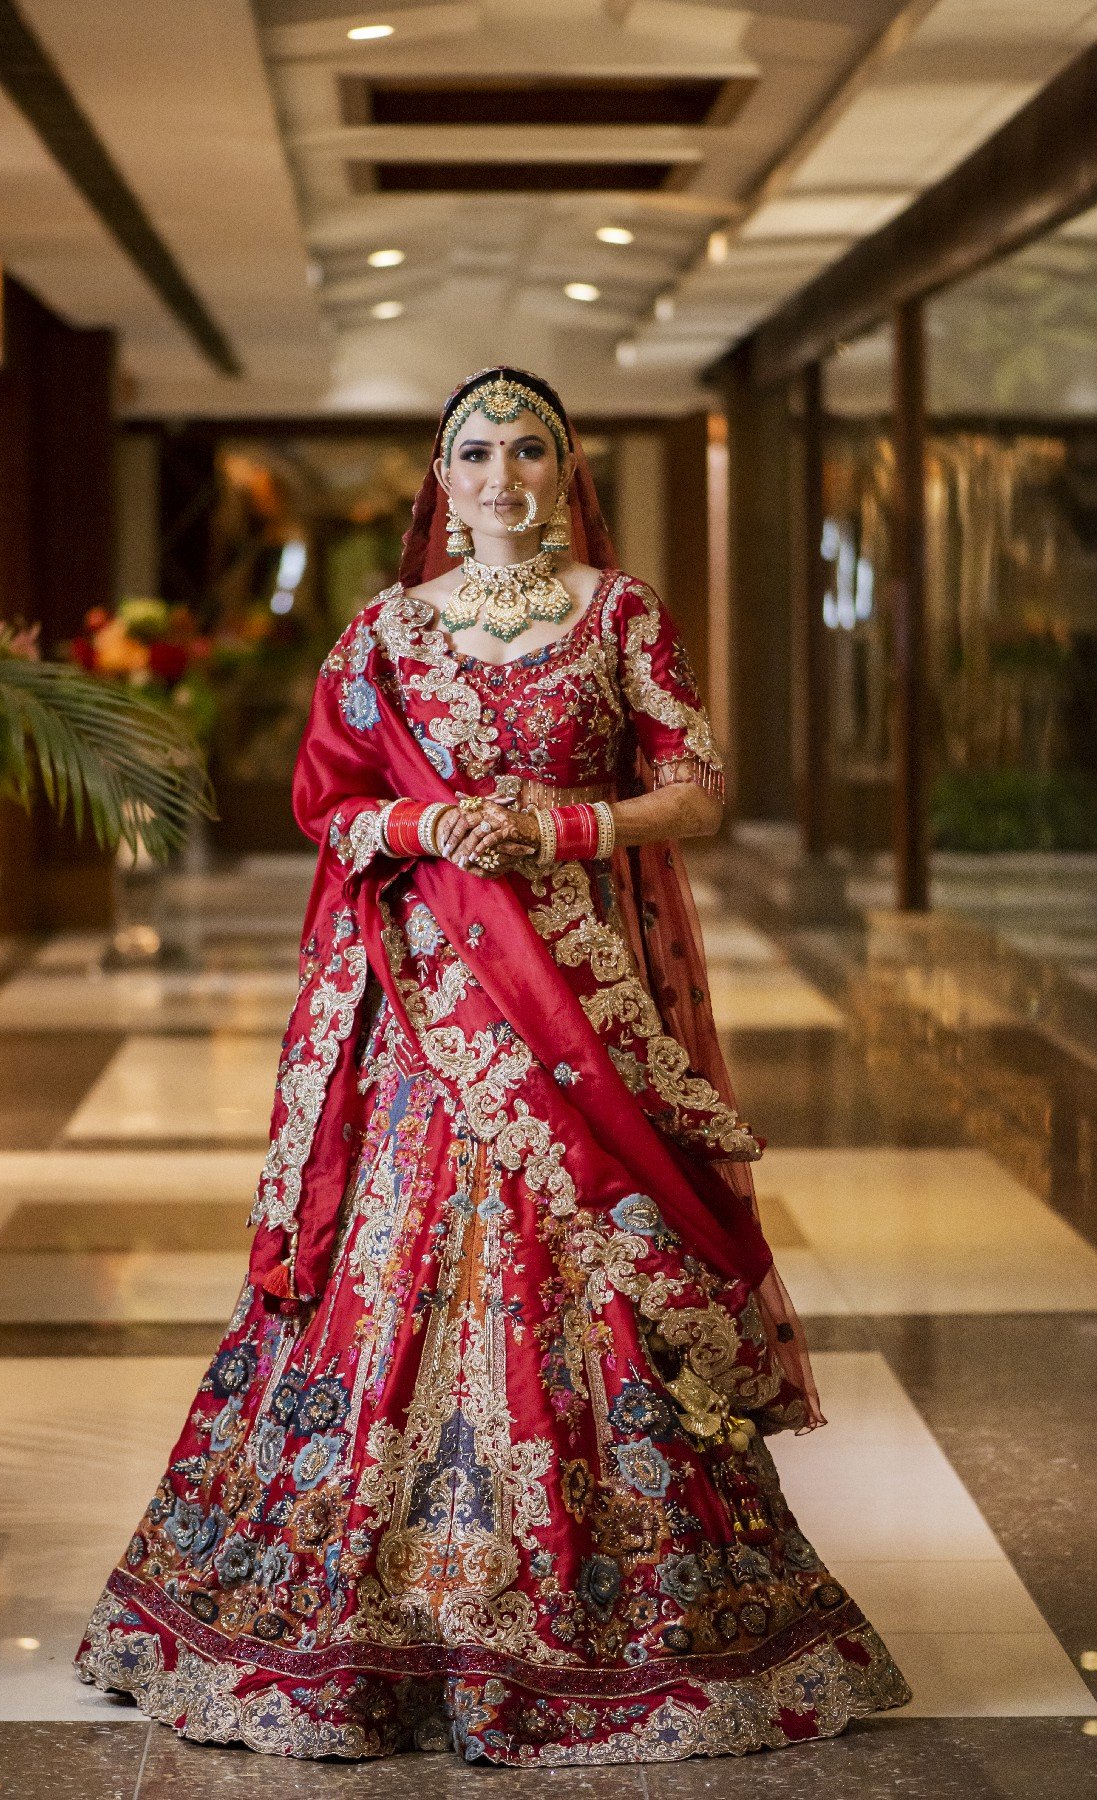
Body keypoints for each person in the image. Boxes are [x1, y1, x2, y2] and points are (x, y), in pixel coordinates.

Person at [76, 366, 909, 1763]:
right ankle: (344, 1610)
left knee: (583, 1259)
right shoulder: (387, 630)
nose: (502, 477)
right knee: (385, 1259)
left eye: (528, 450)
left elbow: (696, 788)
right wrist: (426, 832)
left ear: (563, 470)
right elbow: (327, 802)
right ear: (441, 481)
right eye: (475, 454)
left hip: (579, 1013)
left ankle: (638, 1619)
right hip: (425, 1011)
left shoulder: (618, 612)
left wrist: (562, 834)